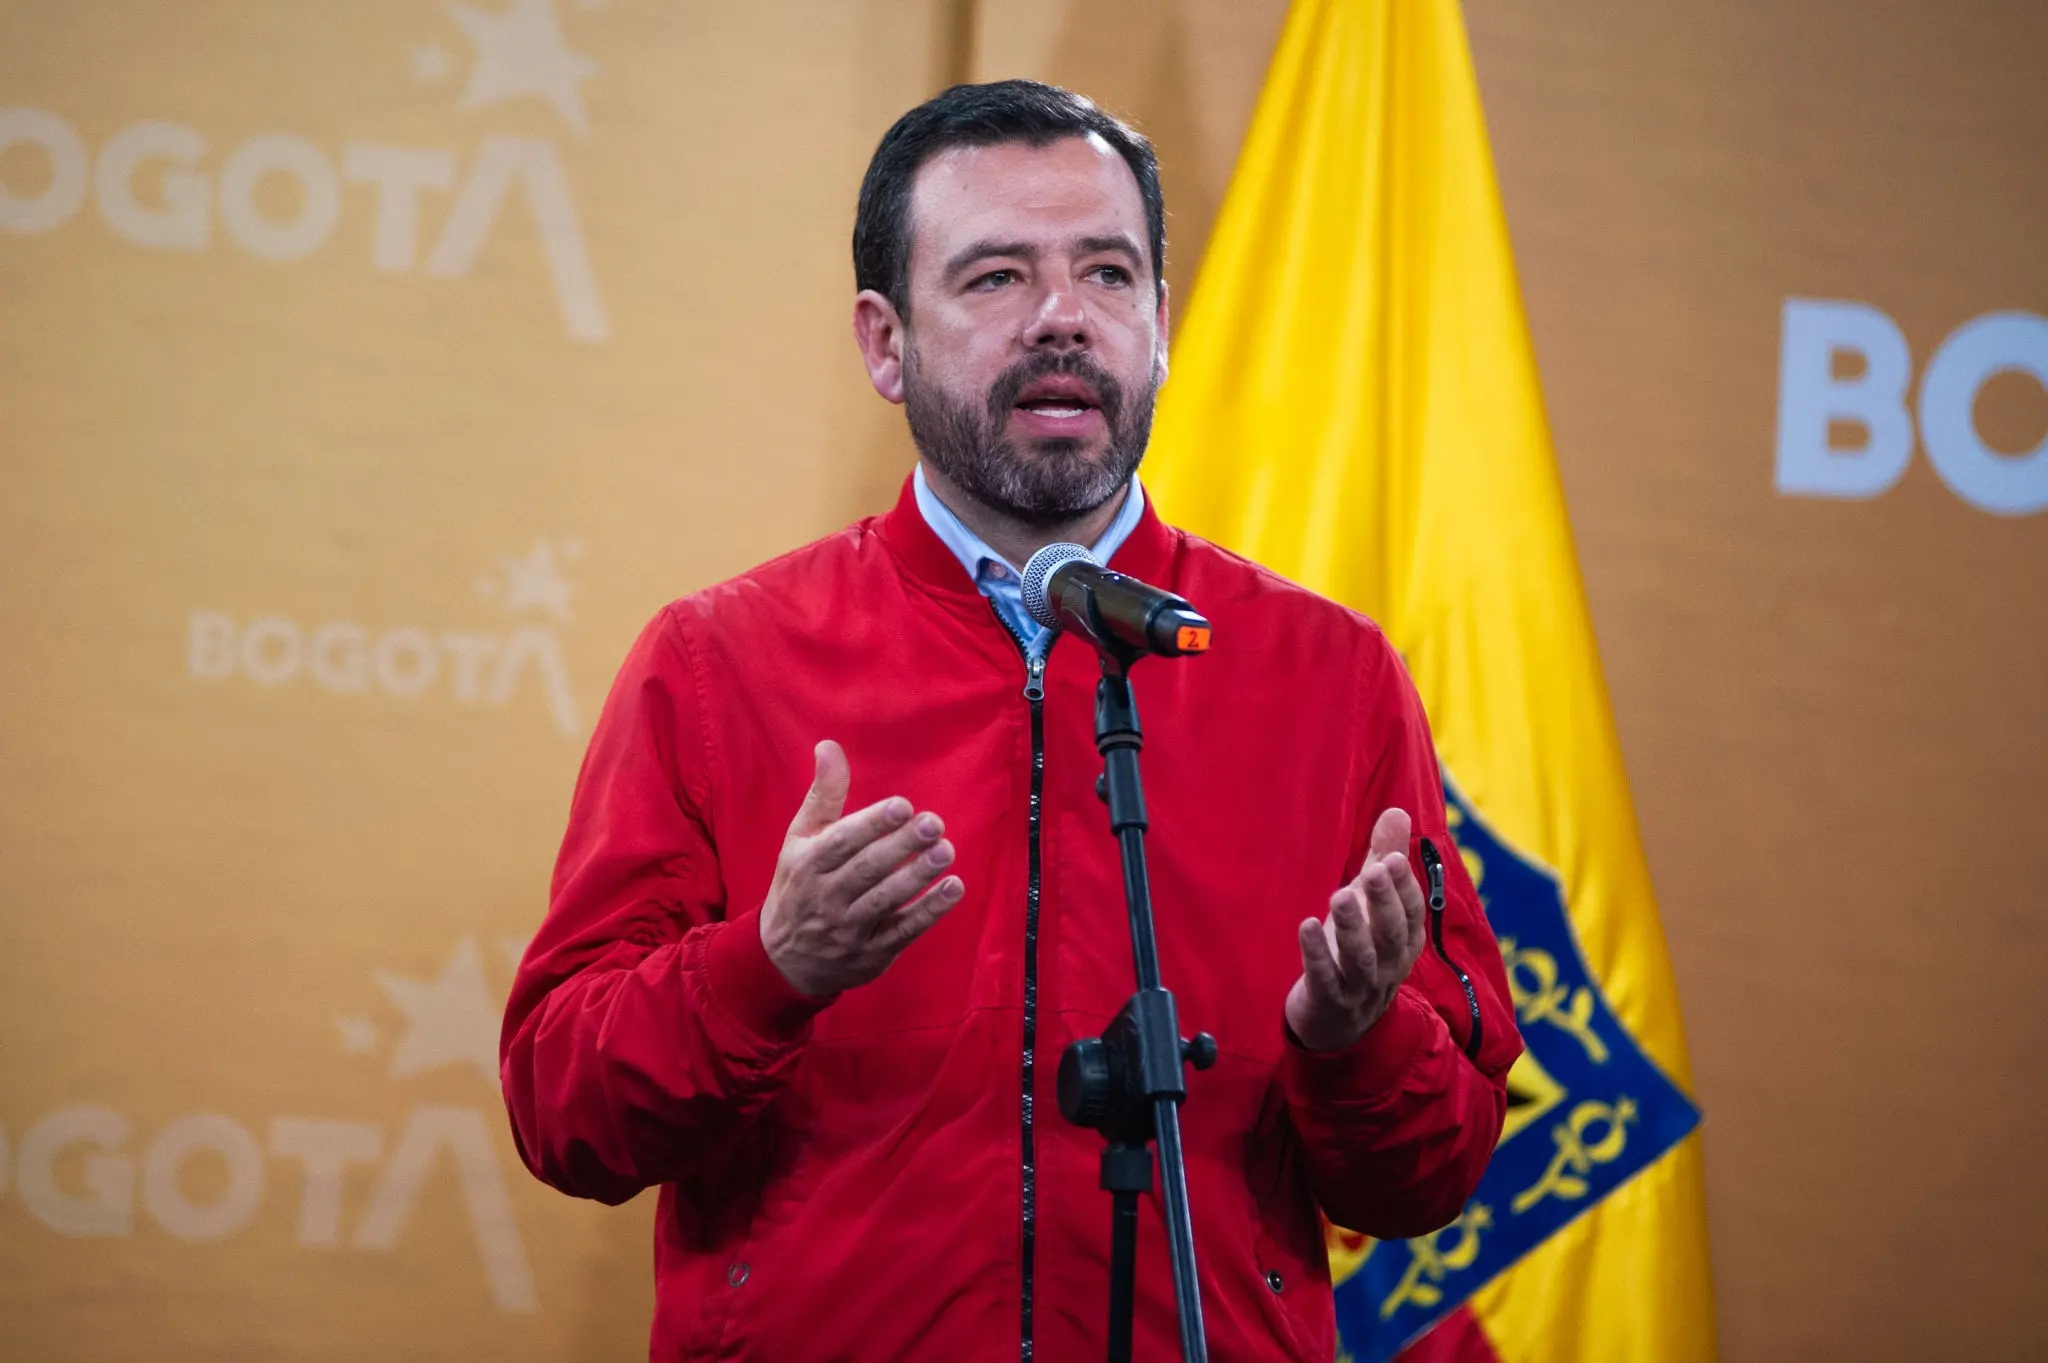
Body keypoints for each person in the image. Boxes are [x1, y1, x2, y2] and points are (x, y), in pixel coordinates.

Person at [501, 80, 1521, 1363]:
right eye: (993, 278)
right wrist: (767, 970)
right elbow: (564, 1112)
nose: (1061, 319)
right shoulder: (719, 665)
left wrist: (1354, 1038)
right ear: (884, 342)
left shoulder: (1328, 674)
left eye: (1107, 273)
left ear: (1159, 324)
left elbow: (1425, 1182)